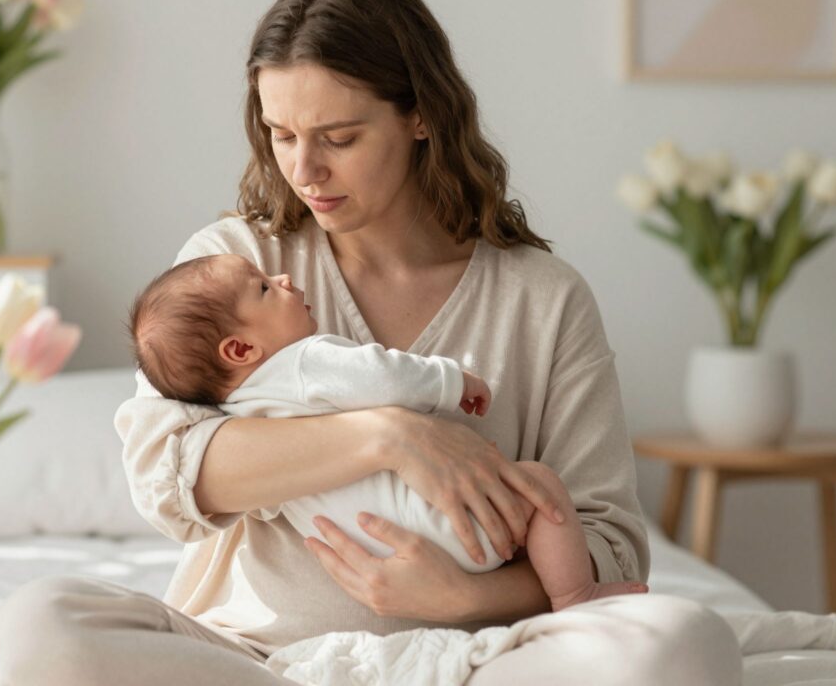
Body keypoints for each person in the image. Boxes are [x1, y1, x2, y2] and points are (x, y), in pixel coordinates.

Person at [0, 0, 741, 685]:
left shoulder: (543, 300)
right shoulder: (234, 264)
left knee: (683, 643)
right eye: (282, 135)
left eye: (339, 138)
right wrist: (390, 435)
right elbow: (165, 475)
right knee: (39, 624)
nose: (304, 170)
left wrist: (463, 599)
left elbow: (610, 545)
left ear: (420, 115)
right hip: (252, 661)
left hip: (479, 662)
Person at [125, 251, 650, 611]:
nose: (282, 280)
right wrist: (449, 383)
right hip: (454, 528)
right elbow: (383, 373)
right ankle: (575, 601)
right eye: (264, 287)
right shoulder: (306, 362)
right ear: (240, 349)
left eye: (341, 137)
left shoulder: (238, 411)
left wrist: (466, 598)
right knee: (539, 484)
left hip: (389, 552)